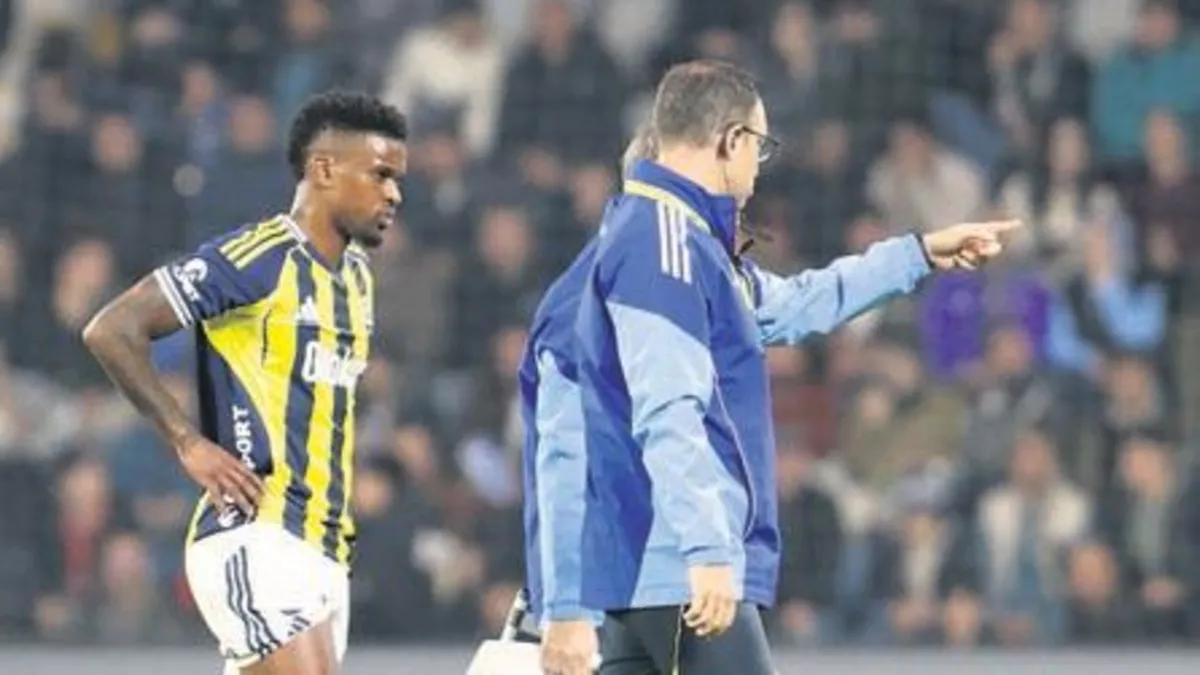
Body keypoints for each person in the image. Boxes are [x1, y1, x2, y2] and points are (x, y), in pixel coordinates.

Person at [573, 59, 1018, 674]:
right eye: (759, 145)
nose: (760, 165)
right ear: (730, 141)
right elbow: (669, 410)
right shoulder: (666, 247)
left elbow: (794, 304)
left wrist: (918, 253)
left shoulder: (675, 240)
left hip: (641, 564)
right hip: (677, 562)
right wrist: (706, 551)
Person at [81, 91, 407, 675]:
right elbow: (112, 328)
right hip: (257, 534)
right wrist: (187, 441)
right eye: (380, 174)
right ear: (324, 169)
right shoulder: (260, 257)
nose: (393, 194)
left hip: (327, 551)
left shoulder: (358, 277)